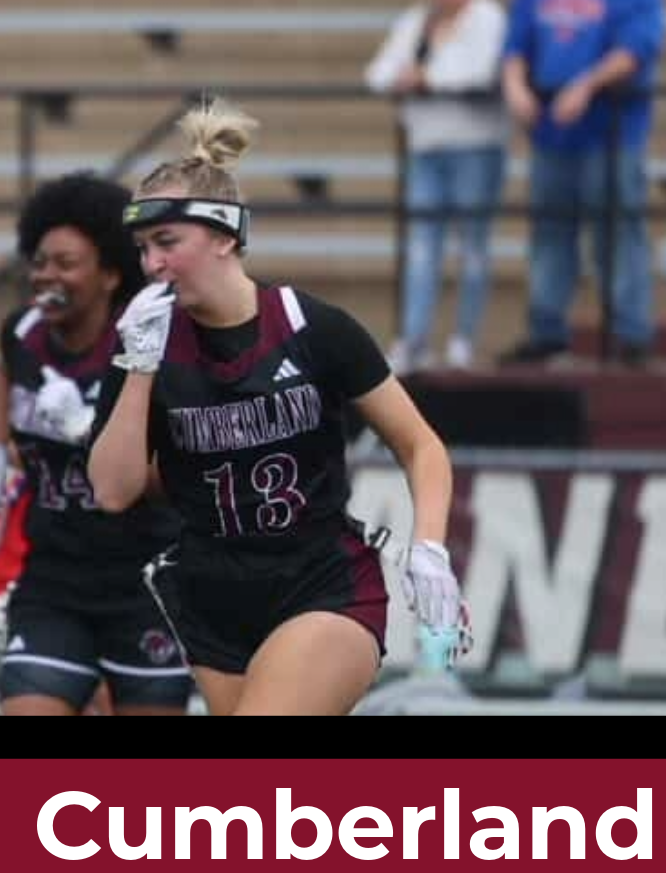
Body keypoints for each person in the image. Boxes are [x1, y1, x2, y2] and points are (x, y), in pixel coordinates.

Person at [88, 99, 467, 716]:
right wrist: (136, 370)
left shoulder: (311, 326)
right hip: (213, 596)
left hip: (320, 582)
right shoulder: (143, 345)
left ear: (224, 237)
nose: (151, 265)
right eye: (142, 248)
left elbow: (420, 444)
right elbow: (112, 489)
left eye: (165, 242)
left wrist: (430, 547)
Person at [0, 173, 189, 716]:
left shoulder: (143, 347)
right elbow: (4, 380)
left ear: (109, 274)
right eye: (40, 261)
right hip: (54, 579)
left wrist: (92, 437)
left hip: (145, 582)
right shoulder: (22, 332)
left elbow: (178, 471)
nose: (47, 276)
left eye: (66, 264)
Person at [499, 0, 665, 367]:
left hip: (610, 136)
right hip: (552, 137)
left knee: (617, 233)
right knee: (550, 234)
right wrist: (515, 85)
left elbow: (636, 51)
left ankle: (629, 334)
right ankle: (548, 331)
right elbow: (515, 45)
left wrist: (586, 84)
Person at [364, 0, 510, 373]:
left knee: (472, 246)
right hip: (426, 147)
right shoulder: (417, 21)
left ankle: (463, 339)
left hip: (475, 146)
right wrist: (407, 77)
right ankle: (414, 339)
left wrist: (425, 78)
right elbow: (377, 74)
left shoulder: (487, 17)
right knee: (423, 249)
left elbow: (482, 71)